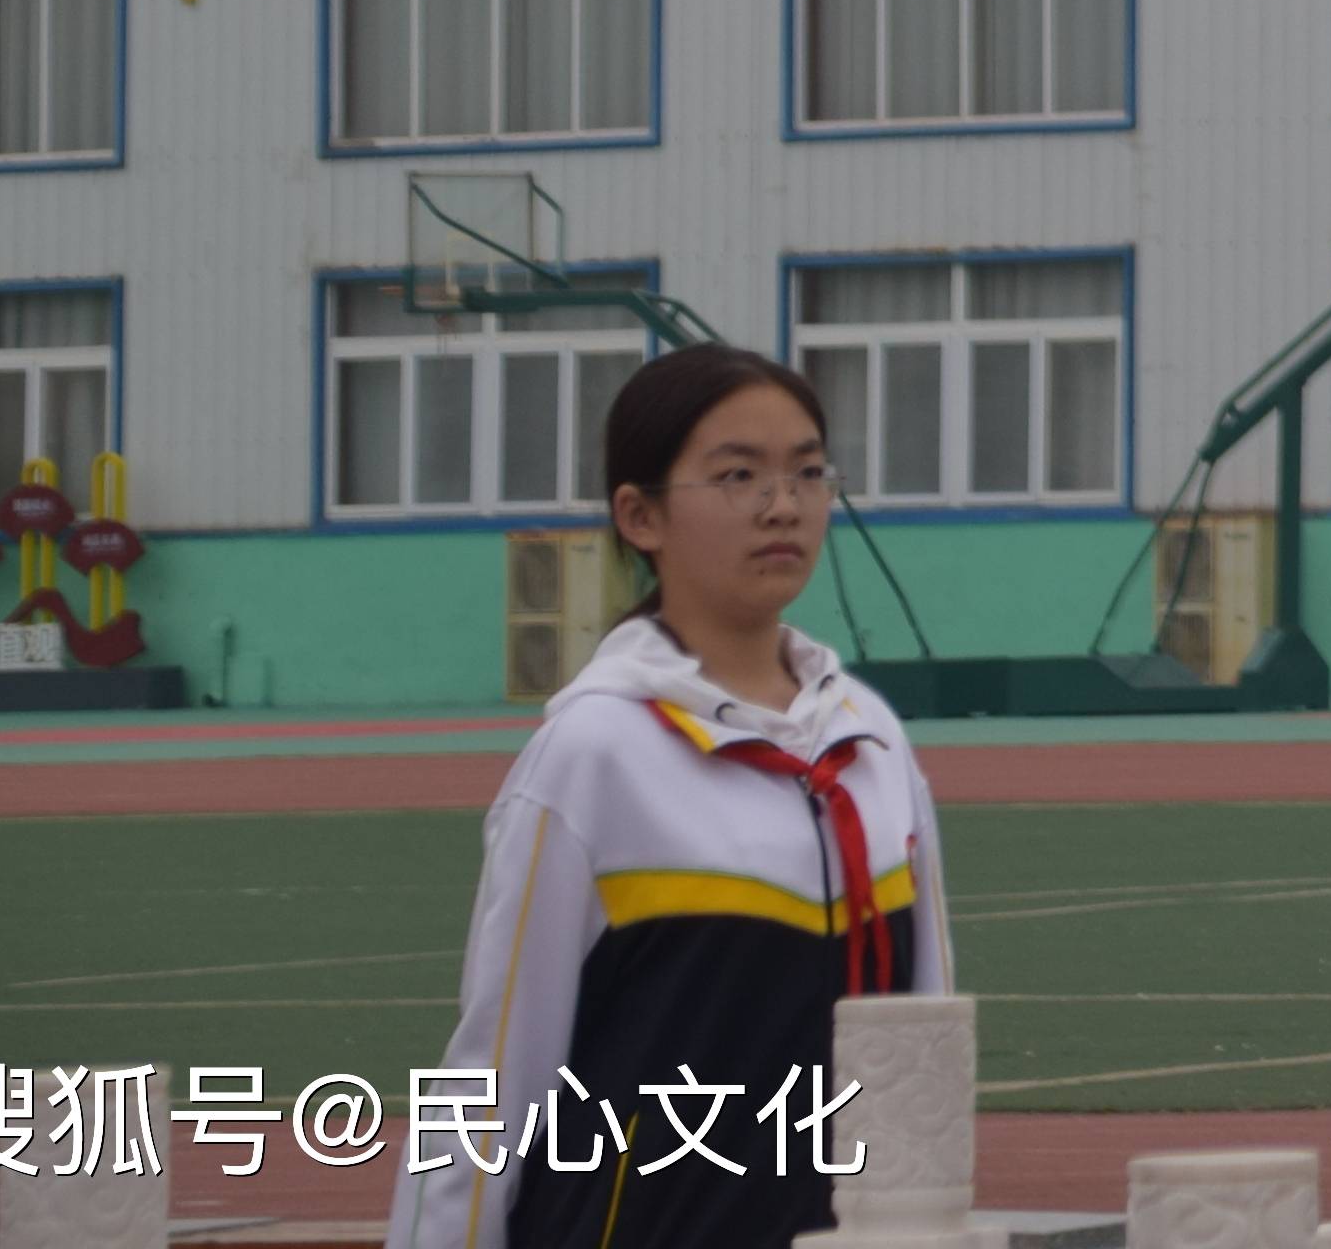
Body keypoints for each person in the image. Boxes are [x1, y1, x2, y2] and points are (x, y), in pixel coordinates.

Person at [393, 345, 945, 1249]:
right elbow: (493, 1071)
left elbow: (924, 1040)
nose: (784, 505)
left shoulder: (871, 744)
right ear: (639, 515)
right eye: (738, 475)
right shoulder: (593, 754)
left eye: (809, 472)